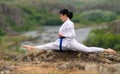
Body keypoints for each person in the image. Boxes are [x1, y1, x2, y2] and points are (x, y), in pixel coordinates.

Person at [23, 9, 116, 55]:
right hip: (63, 43)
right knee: (49, 45)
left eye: (61, 16)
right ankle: (32, 47)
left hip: (70, 43)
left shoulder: (70, 23)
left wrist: (62, 34)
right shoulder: (66, 23)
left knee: (87, 50)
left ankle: (106, 50)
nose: (60, 17)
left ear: (65, 15)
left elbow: (73, 35)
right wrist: (62, 36)